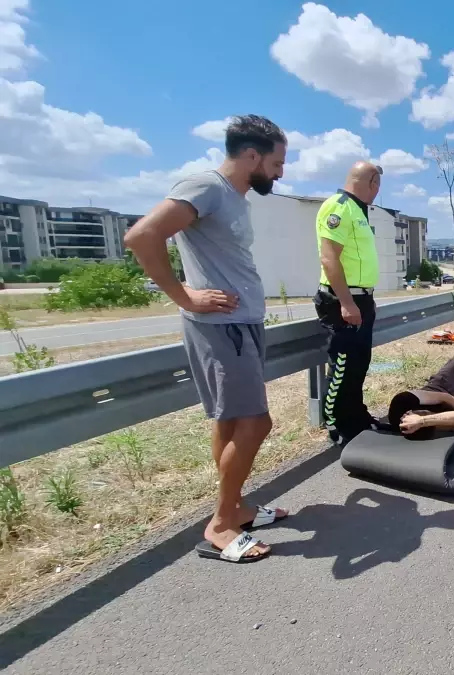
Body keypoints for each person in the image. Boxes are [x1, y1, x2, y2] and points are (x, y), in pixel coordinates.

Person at [124, 114, 288, 564]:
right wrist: (184, 295)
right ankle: (220, 524)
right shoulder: (207, 186)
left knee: (229, 422)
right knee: (256, 423)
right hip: (221, 328)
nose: (280, 172)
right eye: (277, 162)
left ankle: (236, 508)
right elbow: (142, 236)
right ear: (251, 155)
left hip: (240, 325)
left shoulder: (233, 197)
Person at [313, 161, 387, 447]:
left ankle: (357, 418)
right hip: (342, 298)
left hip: (360, 298)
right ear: (371, 183)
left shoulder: (357, 210)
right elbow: (329, 258)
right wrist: (346, 303)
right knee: (342, 366)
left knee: (359, 365)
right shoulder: (339, 206)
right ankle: (336, 425)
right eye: (377, 185)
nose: (378, 192)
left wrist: (365, 300)